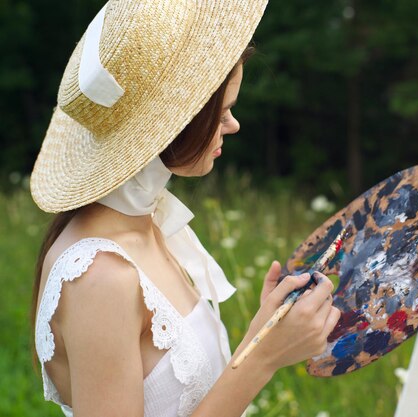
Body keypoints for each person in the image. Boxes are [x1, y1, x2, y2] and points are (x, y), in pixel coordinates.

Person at [29, 1, 341, 416]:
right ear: (174, 122)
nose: (234, 125)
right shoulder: (98, 276)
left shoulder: (149, 223)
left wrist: (266, 331)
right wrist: (261, 360)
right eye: (224, 111)